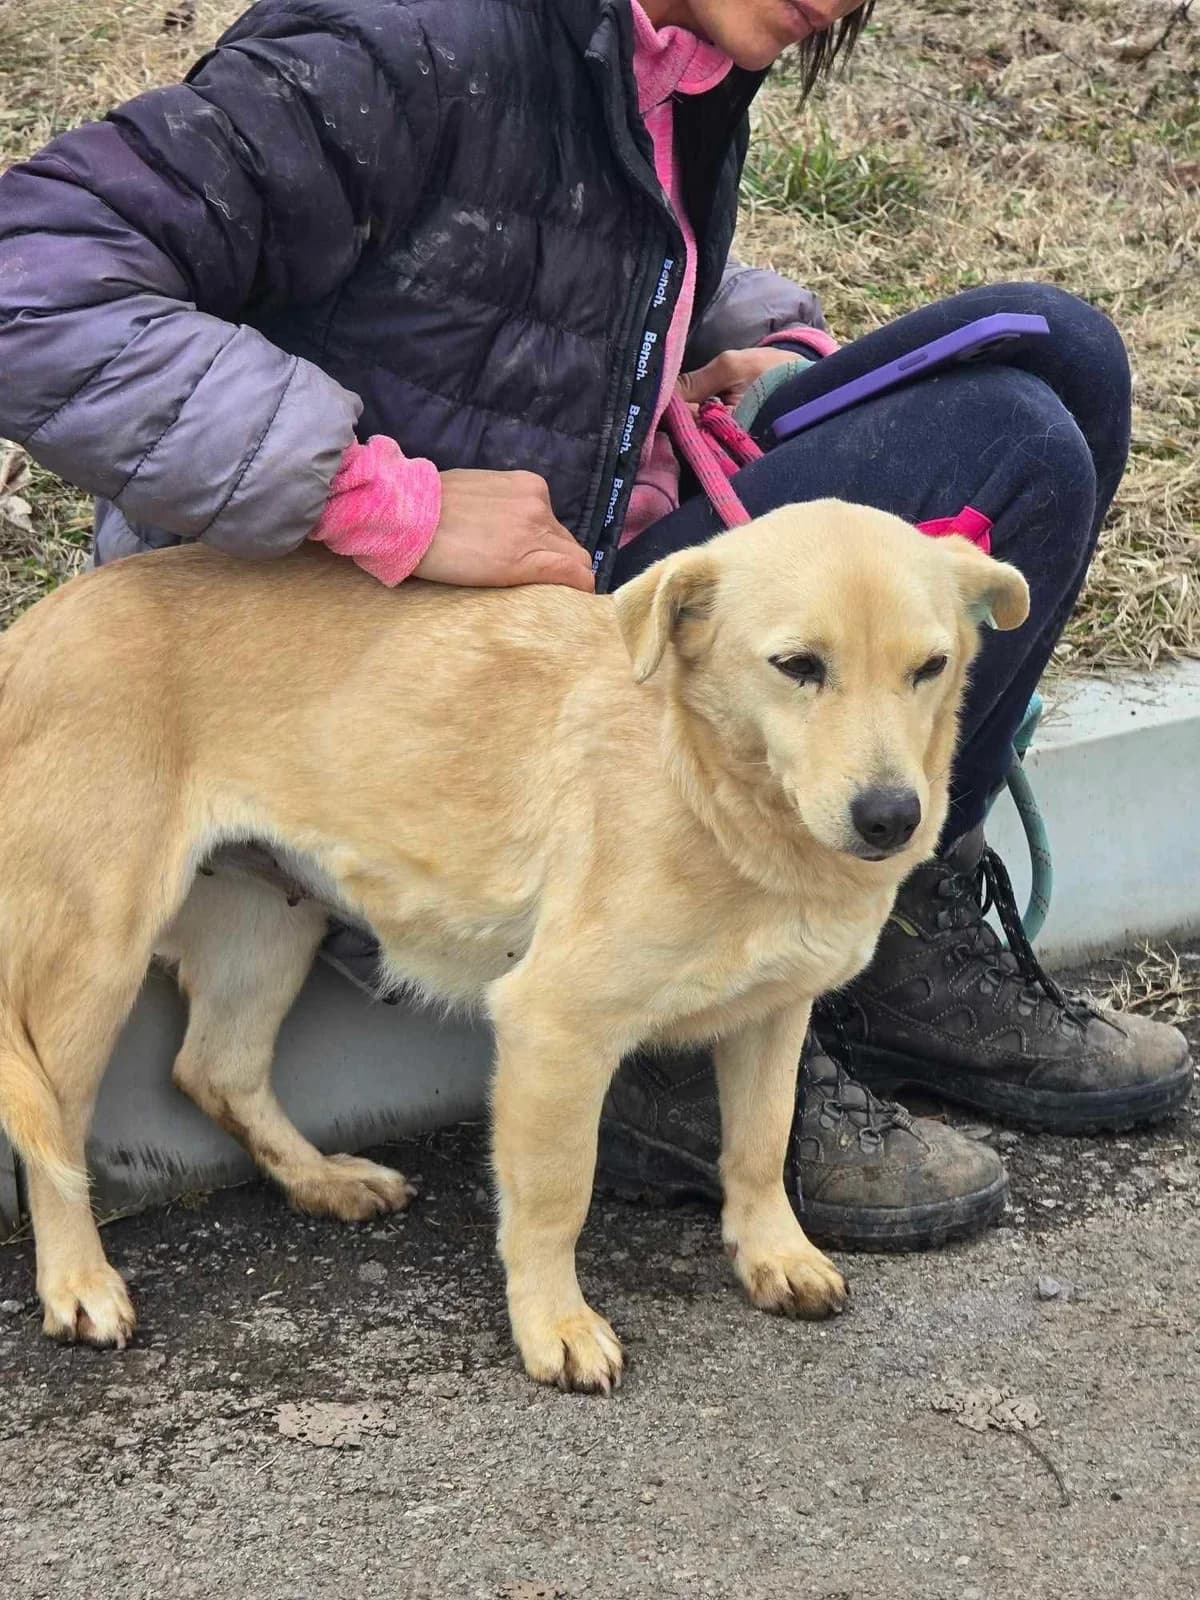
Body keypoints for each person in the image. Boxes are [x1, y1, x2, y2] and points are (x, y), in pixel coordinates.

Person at [0, 0, 1190, 1252]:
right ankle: (670, 1054)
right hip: (375, 654)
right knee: (1017, 435)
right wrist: (383, 499)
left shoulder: (678, 54)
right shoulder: (407, 38)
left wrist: (750, 344)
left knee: (1063, 352)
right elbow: (31, 273)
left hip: (564, 565)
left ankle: (890, 941)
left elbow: (596, 266)